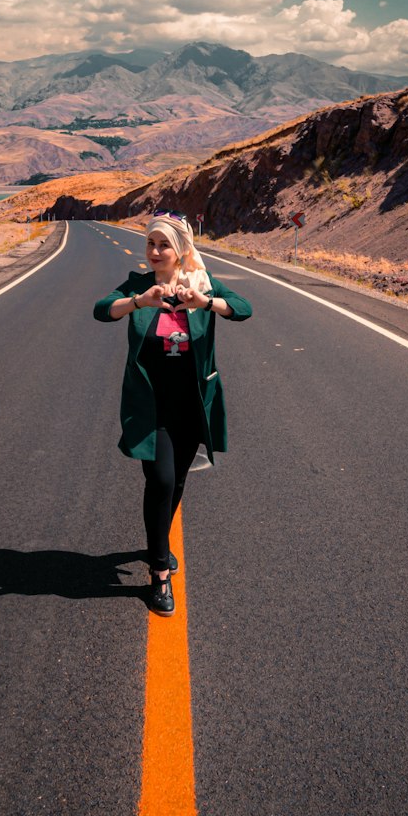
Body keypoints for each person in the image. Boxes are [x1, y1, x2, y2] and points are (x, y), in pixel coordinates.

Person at [93, 212, 252, 614]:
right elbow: (101, 309)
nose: (155, 251)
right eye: (151, 244)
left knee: (177, 480)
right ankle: (159, 573)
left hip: (191, 403)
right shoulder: (139, 285)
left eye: (164, 244)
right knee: (161, 480)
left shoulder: (201, 283)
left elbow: (243, 307)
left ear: (181, 248)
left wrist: (207, 303)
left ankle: (157, 542)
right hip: (151, 405)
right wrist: (137, 302)